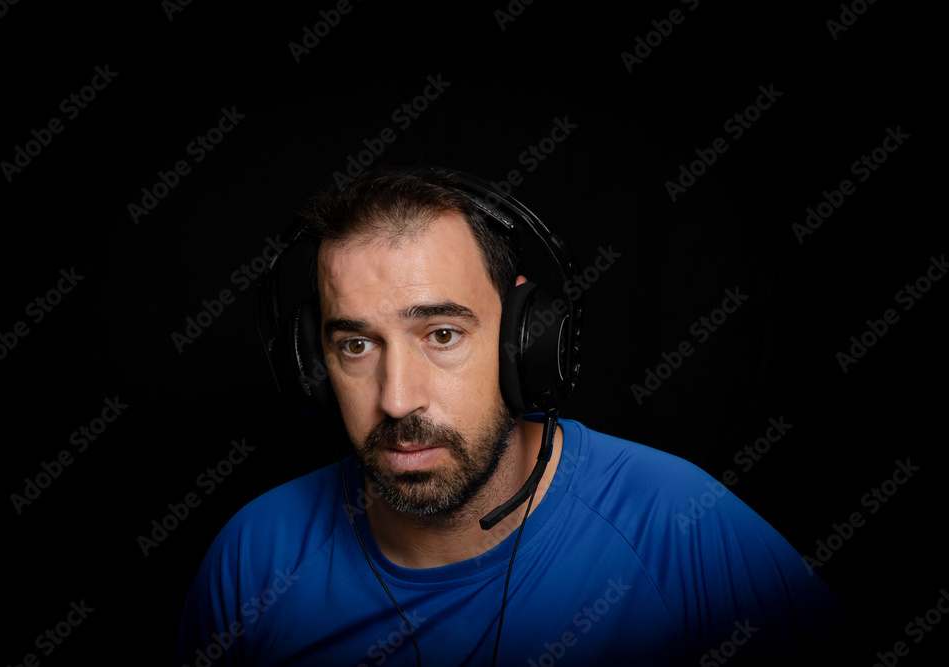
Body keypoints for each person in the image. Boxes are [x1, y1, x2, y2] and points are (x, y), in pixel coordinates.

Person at [176, 168, 848, 666]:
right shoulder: (253, 560)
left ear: (526, 341)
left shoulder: (680, 525)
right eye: (356, 345)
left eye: (442, 334)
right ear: (314, 366)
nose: (397, 399)